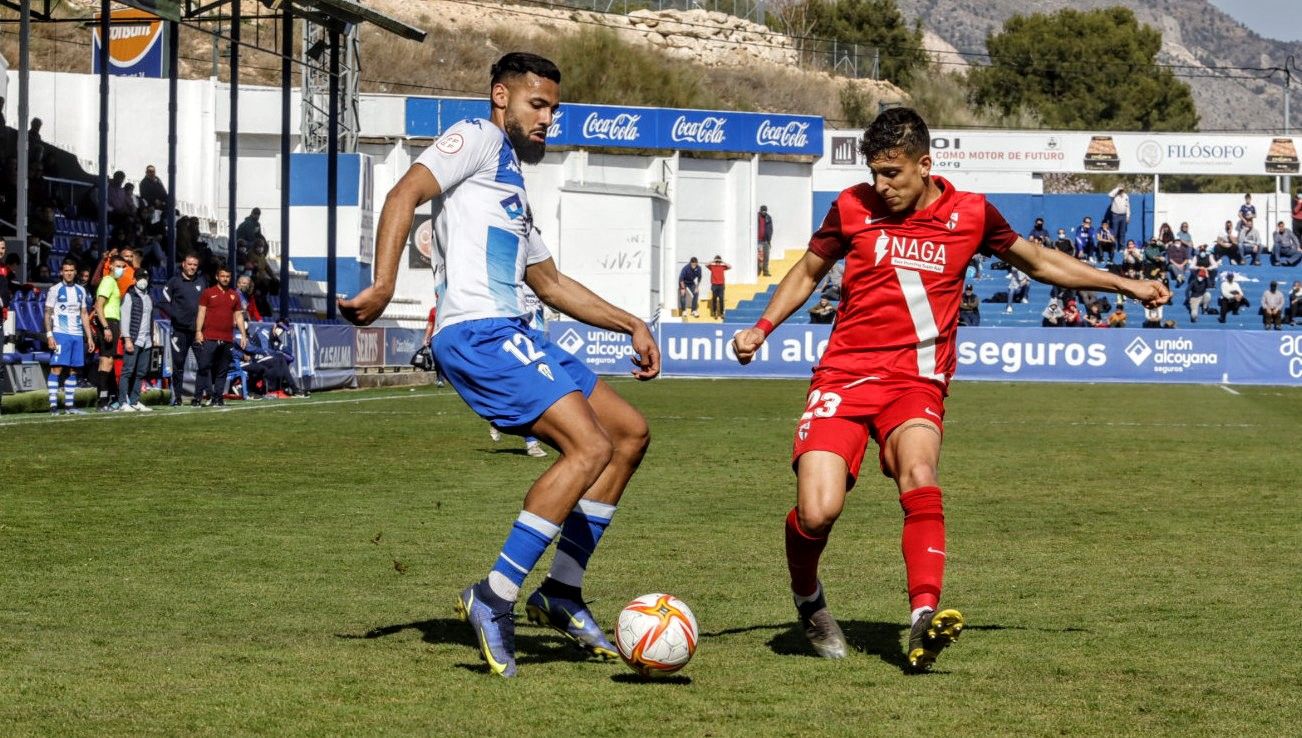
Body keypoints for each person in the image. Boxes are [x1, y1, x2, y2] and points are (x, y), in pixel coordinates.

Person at [728, 108, 1167, 672]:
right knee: (817, 513)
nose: (881, 185)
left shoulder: (972, 214)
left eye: (893, 173)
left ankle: (921, 619)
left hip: (917, 380)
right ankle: (808, 600)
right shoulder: (851, 206)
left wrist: (1123, 283)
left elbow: (1038, 261)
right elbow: (810, 271)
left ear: (925, 164)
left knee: (919, 471)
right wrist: (762, 327)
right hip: (844, 374)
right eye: (875, 172)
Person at [335, 52, 659, 679]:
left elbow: (552, 283)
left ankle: (560, 592)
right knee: (587, 448)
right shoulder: (478, 139)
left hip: (518, 330)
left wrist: (631, 323)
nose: (548, 120)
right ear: (500, 97)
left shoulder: (511, 183)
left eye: (554, 110)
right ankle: (494, 596)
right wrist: (381, 285)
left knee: (628, 434)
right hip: (478, 333)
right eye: (538, 106)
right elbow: (406, 191)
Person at [43, 258, 94, 415]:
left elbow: (84, 314)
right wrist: (50, 335)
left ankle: (69, 406)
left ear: (75, 272)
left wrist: (89, 337)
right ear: (61, 272)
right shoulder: (55, 289)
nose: (69, 273)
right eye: (66, 270)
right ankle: (53, 406)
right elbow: (47, 313)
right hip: (60, 334)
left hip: (77, 335)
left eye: (71, 270)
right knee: (57, 368)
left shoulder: (81, 290)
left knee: (73, 370)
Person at [194, 265, 248, 406]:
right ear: (217, 277)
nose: (225, 279)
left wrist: (243, 334)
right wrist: (198, 331)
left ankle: (218, 397)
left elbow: (238, 315)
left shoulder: (234, 295)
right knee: (204, 367)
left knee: (222, 370)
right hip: (209, 337)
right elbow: (201, 312)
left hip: (227, 338)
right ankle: (198, 397)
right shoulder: (208, 292)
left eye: (228, 276)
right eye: (223, 276)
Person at [161, 254, 208, 405]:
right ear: (183, 264)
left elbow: (207, 305)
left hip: (198, 332)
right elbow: (163, 302)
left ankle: (198, 397)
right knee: (178, 365)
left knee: (204, 364)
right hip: (179, 331)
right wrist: (177, 316)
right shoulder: (174, 282)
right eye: (190, 264)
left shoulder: (202, 282)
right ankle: (177, 398)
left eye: (195, 265)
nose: (192, 267)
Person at [92, 253, 127, 411]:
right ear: (111, 266)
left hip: (112, 322)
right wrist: (106, 327)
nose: (120, 269)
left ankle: (103, 400)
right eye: (118, 266)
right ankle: (102, 401)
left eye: (123, 267)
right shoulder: (108, 281)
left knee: (107, 361)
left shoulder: (113, 282)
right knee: (106, 361)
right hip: (109, 321)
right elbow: (99, 305)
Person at [118, 270, 155, 412]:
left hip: (146, 340)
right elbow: (125, 319)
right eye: (140, 277)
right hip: (133, 339)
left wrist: (152, 337)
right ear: (134, 280)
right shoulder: (129, 296)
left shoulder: (148, 297)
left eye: (145, 277)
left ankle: (134, 400)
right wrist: (127, 339)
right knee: (127, 371)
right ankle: (123, 402)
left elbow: (150, 319)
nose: (143, 280)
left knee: (141, 373)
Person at [420, 302, 445, 387]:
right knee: (437, 359)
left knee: (442, 359)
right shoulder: (433, 310)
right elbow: (430, 324)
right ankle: (440, 379)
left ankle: (443, 378)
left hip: (444, 337)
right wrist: (426, 338)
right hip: (434, 338)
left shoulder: (447, 310)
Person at [707, 255, 731, 320]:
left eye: (718, 261)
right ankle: (715, 312)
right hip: (714, 285)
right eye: (717, 261)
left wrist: (722, 261)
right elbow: (706, 264)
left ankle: (721, 313)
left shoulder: (722, 267)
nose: (718, 262)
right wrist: (714, 261)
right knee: (714, 299)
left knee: (721, 299)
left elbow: (730, 266)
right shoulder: (712, 266)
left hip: (721, 285)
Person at [757, 205, 774, 277]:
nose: (764, 212)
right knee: (759, 257)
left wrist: (769, 240)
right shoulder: (756, 217)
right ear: (760, 210)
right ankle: (758, 271)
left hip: (766, 241)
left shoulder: (768, 218)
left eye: (765, 211)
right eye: (763, 211)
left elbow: (770, 229)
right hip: (758, 241)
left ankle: (765, 271)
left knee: (766, 257)